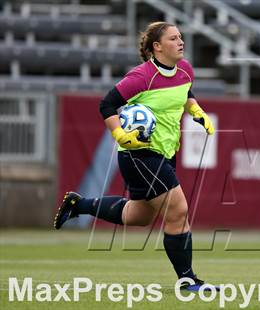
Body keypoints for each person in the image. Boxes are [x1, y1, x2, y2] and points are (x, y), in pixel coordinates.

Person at [54, 21, 217, 292]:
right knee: (179, 209)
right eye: (174, 38)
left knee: (139, 216)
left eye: (181, 37)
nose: (181, 42)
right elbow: (107, 104)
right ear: (157, 47)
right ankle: (188, 280)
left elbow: (185, 93)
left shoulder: (185, 69)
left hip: (165, 152)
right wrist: (119, 135)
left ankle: (79, 204)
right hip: (139, 153)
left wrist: (196, 110)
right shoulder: (142, 77)